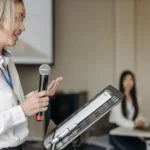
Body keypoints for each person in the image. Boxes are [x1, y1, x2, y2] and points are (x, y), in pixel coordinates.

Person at [0, 0, 63, 149]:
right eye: (17, 18)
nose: (22, 27)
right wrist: (22, 110)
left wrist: (35, 98)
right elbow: (19, 109)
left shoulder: (9, 63)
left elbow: (10, 106)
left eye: (23, 20)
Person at [109, 70, 147, 150]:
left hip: (129, 132)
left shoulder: (136, 96)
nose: (128, 82)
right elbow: (119, 119)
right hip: (116, 133)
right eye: (125, 79)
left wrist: (141, 120)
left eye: (131, 79)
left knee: (145, 147)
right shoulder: (116, 97)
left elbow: (138, 115)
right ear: (121, 82)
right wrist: (134, 125)